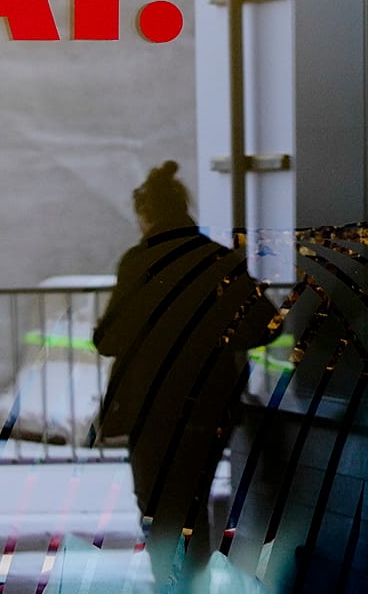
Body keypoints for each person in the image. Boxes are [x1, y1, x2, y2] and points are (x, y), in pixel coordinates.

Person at [93, 161, 281, 593]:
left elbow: (109, 338)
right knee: (192, 499)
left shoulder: (139, 262)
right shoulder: (218, 261)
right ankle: (192, 583)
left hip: (149, 403)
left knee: (156, 503)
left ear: (146, 214)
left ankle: (171, 584)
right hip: (209, 400)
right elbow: (267, 325)